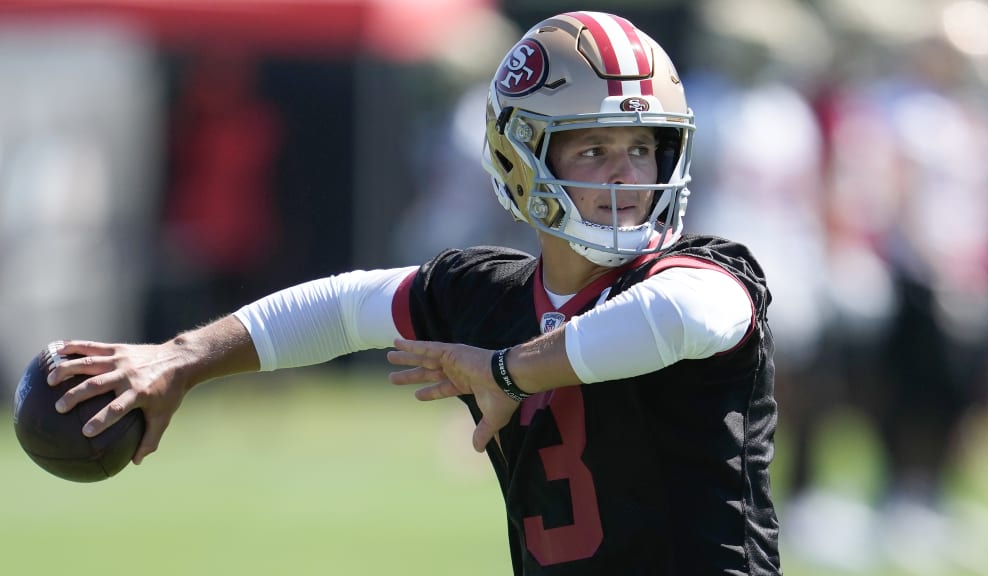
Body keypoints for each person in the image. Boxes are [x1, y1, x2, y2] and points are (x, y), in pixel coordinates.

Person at [45, 11, 780, 575]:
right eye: (593, 149)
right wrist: (180, 359)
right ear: (520, 158)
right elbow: (340, 308)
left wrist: (503, 371)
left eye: (643, 147)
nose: (627, 176)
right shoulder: (484, 295)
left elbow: (684, 319)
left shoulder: (699, 276)